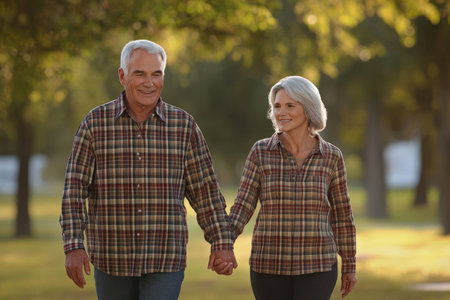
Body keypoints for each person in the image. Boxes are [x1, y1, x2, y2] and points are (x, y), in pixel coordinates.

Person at [60, 39, 237, 300]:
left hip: (165, 259)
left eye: (156, 74)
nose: (149, 82)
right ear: (122, 76)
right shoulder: (94, 125)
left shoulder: (183, 126)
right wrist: (73, 245)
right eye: (139, 74)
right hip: (112, 259)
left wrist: (221, 242)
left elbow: (205, 191)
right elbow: (74, 190)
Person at [227, 76, 357, 299]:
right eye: (277, 106)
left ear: (308, 108)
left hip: (318, 266)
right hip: (268, 265)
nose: (281, 112)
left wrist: (349, 263)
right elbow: (242, 206)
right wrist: (224, 243)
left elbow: (342, 216)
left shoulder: (332, 156)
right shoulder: (260, 152)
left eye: (290, 105)